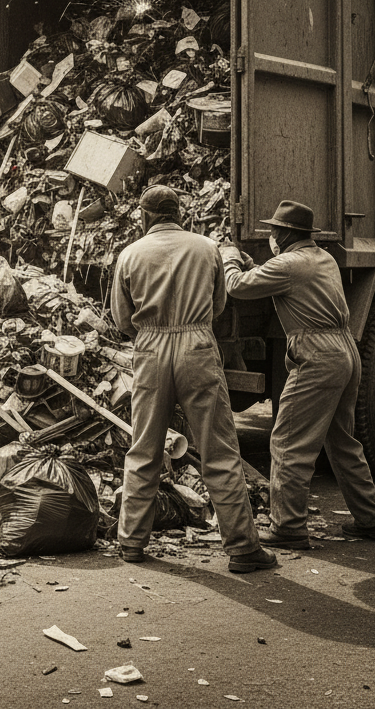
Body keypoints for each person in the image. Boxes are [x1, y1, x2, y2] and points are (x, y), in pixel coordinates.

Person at [111, 184, 276, 574]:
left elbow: (121, 319)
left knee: (144, 448)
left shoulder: (130, 254)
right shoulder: (207, 248)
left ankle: (131, 542)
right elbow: (219, 306)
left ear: (146, 216)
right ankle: (242, 548)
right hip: (197, 346)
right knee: (218, 449)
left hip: (150, 349)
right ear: (178, 214)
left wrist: (151, 332)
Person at [221, 200, 375, 547]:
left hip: (317, 356)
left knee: (288, 442)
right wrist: (250, 262)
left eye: (273, 230)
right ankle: (371, 519)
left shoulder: (288, 265)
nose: (270, 235)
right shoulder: (321, 258)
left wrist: (227, 256)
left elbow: (237, 286)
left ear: (284, 234)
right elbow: (273, 275)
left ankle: (288, 527)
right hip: (344, 349)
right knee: (342, 442)